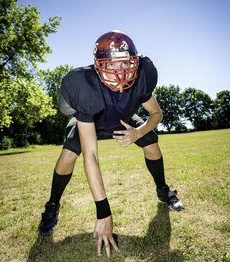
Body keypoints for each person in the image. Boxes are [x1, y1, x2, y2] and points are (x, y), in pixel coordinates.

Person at [38, 30, 184, 257]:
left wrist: (138, 132)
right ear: (98, 66)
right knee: (68, 155)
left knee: (152, 144)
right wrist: (103, 212)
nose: (122, 71)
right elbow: (91, 156)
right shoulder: (85, 87)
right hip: (91, 121)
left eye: (127, 63)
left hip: (122, 120)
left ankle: (163, 190)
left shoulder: (142, 78)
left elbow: (156, 114)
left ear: (135, 61)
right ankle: (52, 206)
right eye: (113, 65)